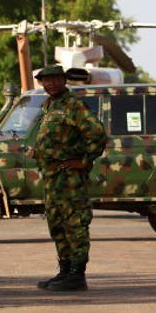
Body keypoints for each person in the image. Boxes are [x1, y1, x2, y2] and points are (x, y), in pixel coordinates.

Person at [32, 65, 107, 292]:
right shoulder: (48, 105)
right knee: (58, 225)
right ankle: (64, 272)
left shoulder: (73, 105)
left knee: (75, 224)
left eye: (55, 79)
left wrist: (84, 160)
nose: (50, 83)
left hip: (69, 178)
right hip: (52, 178)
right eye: (46, 80)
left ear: (64, 80)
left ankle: (77, 275)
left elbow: (97, 134)